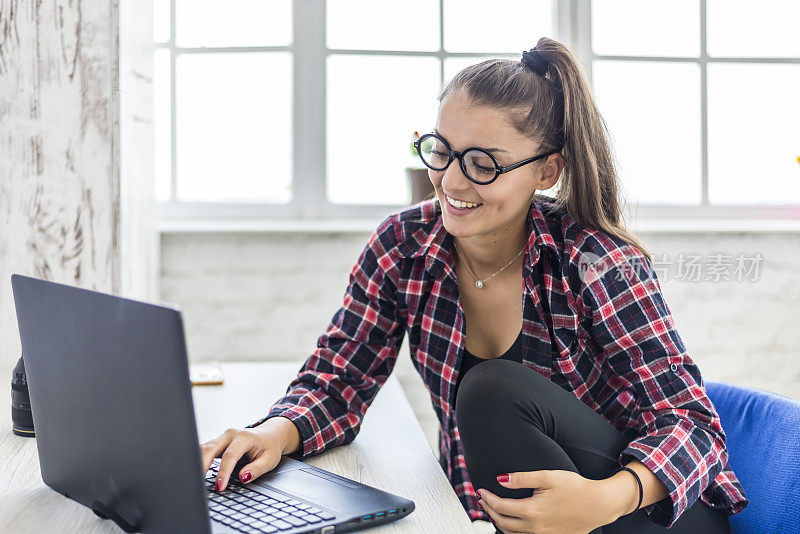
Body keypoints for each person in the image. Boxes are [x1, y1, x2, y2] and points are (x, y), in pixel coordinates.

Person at [199, 36, 748, 533]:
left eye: (484, 163)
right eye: (442, 151)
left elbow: (695, 426)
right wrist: (272, 434)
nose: (453, 182)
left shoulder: (598, 260)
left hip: (642, 513)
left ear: (547, 172)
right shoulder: (403, 248)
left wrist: (605, 499)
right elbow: (340, 378)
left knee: (490, 389)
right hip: (517, 521)